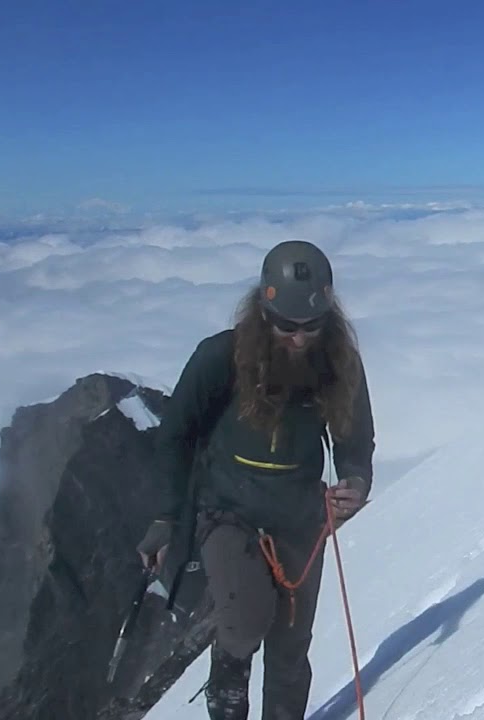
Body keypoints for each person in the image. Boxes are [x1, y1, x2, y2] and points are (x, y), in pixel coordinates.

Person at [136, 239, 376, 720]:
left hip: (300, 519)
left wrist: (356, 479)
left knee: (290, 649)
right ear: (263, 311)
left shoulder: (338, 362)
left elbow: (354, 434)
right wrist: (166, 516)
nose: (301, 338)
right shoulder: (220, 357)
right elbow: (176, 435)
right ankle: (228, 693)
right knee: (245, 622)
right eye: (288, 325)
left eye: (312, 326)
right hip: (227, 511)